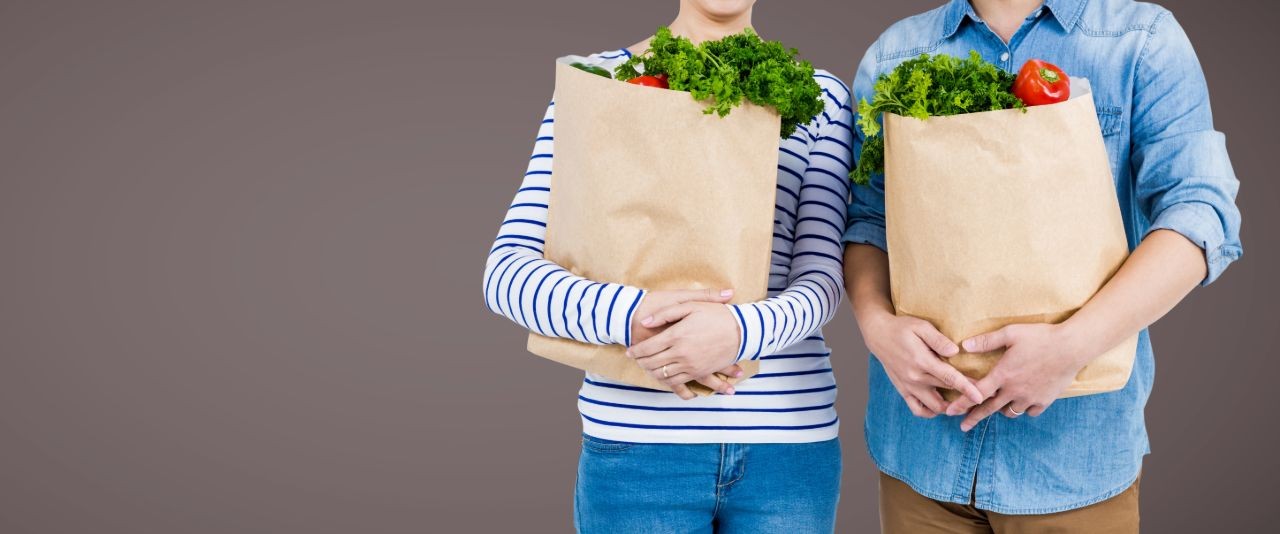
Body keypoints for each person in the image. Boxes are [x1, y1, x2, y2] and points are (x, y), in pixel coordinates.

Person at [842, 0, 1243, 532]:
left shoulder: (1139, 39)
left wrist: (1072, 346)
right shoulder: (897, 53)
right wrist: (877, 326)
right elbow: (867, 221)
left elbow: (1200, 215)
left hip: (1073, 463)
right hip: (919, 456)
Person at [482, 1, 854, 531]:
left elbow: (823, 279)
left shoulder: (820, 96)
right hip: (637, 450)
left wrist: (739, 330)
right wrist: (633, 315)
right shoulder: (597, 84)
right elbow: (507, 273)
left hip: (789, 449)